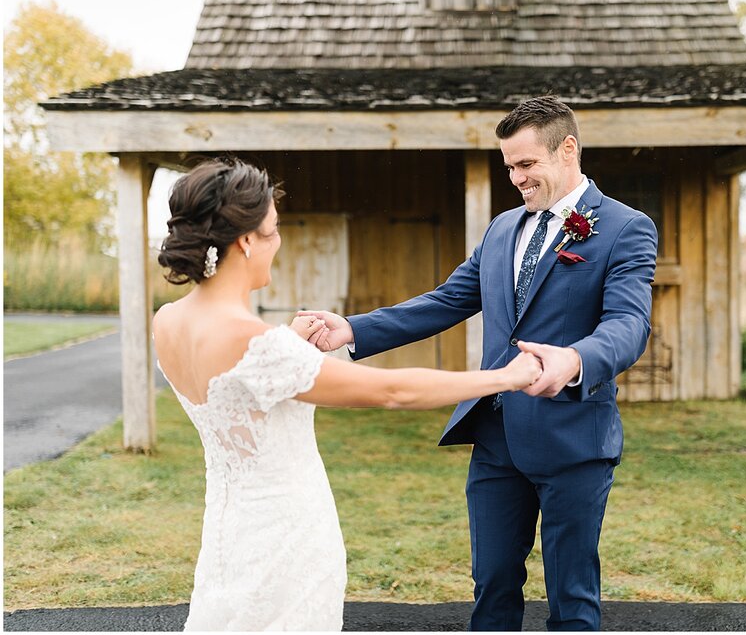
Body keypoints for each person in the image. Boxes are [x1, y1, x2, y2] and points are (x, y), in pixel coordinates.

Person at [301, 96, 658, 631]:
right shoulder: (501, 230)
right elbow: (446, 301)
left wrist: (576, 359)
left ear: (567, 150)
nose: (516, 178)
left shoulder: (626, 228)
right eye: (509, 166)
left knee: (572, 596)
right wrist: (354, 329)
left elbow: (629, 325)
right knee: (490, 586)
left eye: (526, 164)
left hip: (573, 439)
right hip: (495, 438)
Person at [152, 158, 542, 631]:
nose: (279, 243)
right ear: (247, 241)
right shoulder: (255, 342)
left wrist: (288, 343)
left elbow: (238, 390)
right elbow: (393, 391)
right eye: (273, 231)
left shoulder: (168, 322)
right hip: (287, 535)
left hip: (228, 534)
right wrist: (506, 377)